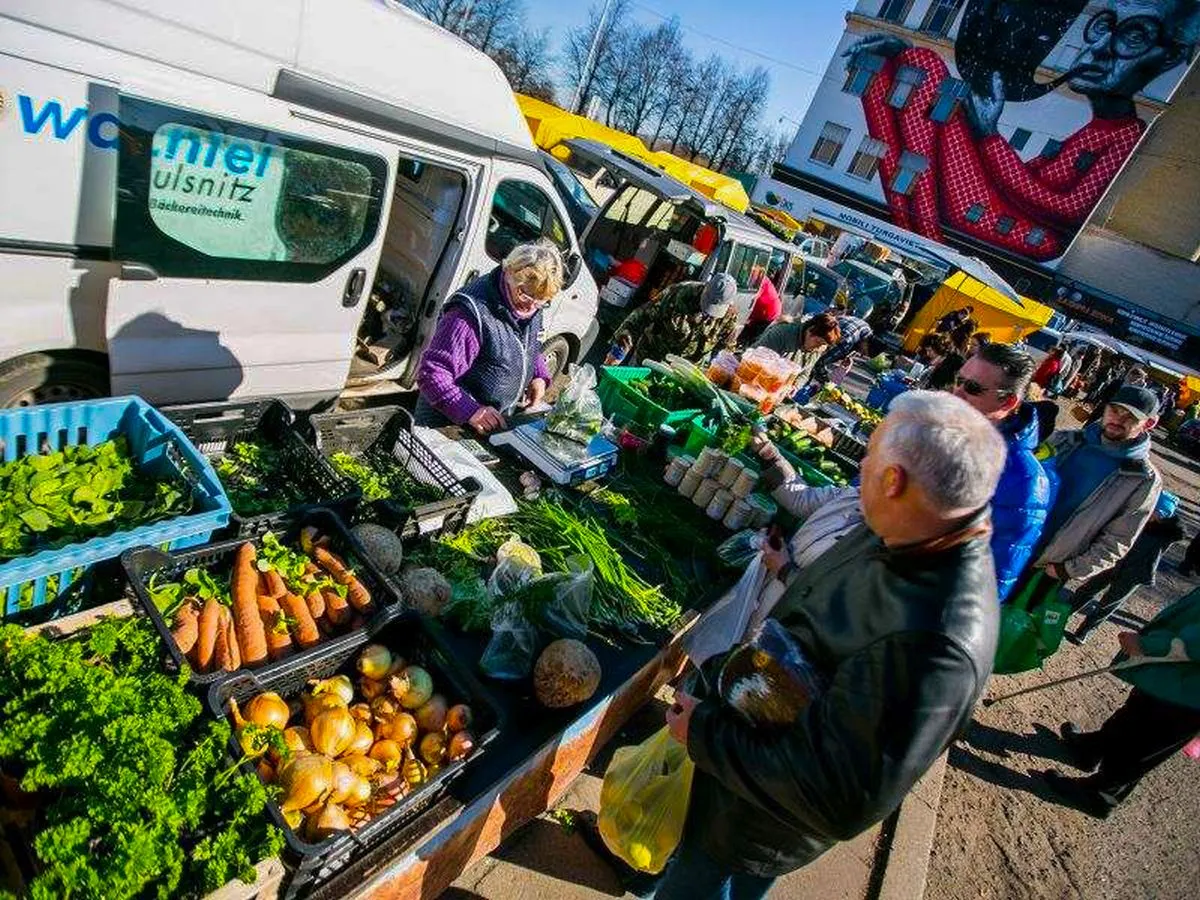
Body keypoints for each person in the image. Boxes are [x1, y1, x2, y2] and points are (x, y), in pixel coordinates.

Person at [658, 392, 1006, 898]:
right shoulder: (903, 531)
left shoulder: (933, 644)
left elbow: (838, 796)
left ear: (894, 481)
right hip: (738, 782)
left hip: (757, 822)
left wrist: (706, 735)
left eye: (870, 454)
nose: (860, 465)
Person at [847, 0, 1200, 262]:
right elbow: (1024, 180)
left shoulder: (1125, 135)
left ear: (1169, 57)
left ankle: (921, 236)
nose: (1098, 48)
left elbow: (1066, 210)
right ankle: (918, 234)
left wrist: (988, 135)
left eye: (1133, 36)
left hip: (1019, 229)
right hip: (995, 207)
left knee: (924, 67)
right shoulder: (1098, 128)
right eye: (1102, 26)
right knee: (915, 70)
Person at [1040, 586, 1200, 819]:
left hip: (1190, 688)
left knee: (1149, 739)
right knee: (1138, 713)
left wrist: (1151, 646)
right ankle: (1094, 748)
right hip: (1180, 675)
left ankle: (1103, 793)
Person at [414, 240, 562, 434]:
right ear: (508, 272)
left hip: (491, 422)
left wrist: (538, 375)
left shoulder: (531, 303)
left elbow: (528, 342)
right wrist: (470, 411)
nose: (530, 306)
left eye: (541, 302)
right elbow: (432, 373)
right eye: (525, 295)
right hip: (447, 424)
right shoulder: (469, 314)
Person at [952, 343, 1054, 601]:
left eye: (973, 387)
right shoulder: (937, 430)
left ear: (1008, 401)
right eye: (959, 380)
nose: (958, 392)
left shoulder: (1025, 479)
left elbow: (992, 580)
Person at [1032, 385, 1163, 588]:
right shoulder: (1065, 440)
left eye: (1130, 416)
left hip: (1048, 569)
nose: (1118, 419)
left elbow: (1120, 538)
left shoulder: (1142, 478)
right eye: (1114, 410)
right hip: (1011, 543)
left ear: (1150, 423)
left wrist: (1071, 569)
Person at [1069, 492, 1185, 641]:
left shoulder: (1167, 534)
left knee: (1108, 604)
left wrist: (1171, 523)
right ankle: (1064, 613)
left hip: (1134, 573)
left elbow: (1179, 534)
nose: (1153, 515)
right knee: (1088, 589)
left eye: (1159, 514)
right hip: (1113, 561)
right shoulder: (1135, 519)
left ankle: (1084, 631)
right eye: (1153, 510)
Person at [612, 272, 739, 366]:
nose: (708, 313)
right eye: (707, 302)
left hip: (684, 374)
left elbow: (726, 350)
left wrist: (716, 370)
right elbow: (640, 317)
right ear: (705, 287)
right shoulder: (678, 293)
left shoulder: (730, 316)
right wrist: (619, 351)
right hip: (649, 359)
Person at [751, 313, 842, 387]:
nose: (818, 348)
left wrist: (795, 386)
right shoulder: (782, 333)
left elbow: (805, 374)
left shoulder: (818, 349)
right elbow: (754, 358)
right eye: (818, 342)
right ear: (810, 330)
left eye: (823, 345)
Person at [810, 313, 873, 383]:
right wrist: (826, 381)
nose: (860, 354)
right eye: (863, 352)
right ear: (867, 344)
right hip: (812, 339)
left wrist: (847, 355)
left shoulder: (866, 327)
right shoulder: (847, 341)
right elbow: (818, 362)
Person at [740, 264, 783, 346]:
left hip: (769, 313)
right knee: (749, 331)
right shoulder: (759, 280)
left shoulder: (762, 282)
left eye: (753, 272)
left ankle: (747, 348)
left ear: (759, 273)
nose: (750, 274)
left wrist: (747, 317)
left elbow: (753, 297)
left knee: (754, 336)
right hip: (764, 312)